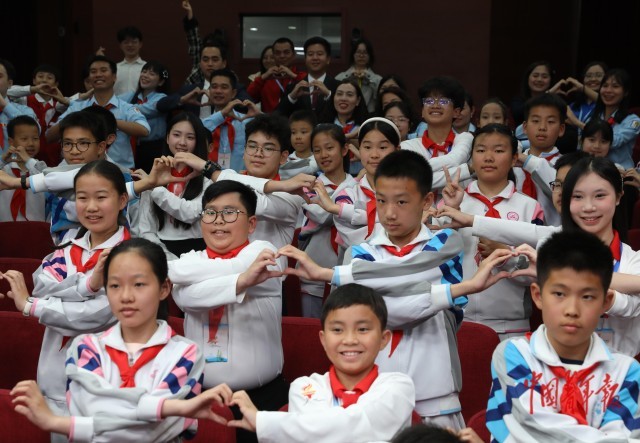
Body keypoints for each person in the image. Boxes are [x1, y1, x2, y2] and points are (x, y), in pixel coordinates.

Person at [280, 149, 515, 429]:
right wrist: (429, 295)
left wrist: (333, 275)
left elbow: (395, 306)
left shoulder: (445, 243)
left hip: (436, 394)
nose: (389, 213)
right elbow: (371, 313)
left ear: (427, 201)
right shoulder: (358, 253)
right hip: (371, 392)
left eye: (402, 201)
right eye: (381, 201)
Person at [9, 238, 236, 442]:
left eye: (139, 284)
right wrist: (167, 407)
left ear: (164, 288)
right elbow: (89, 411)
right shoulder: (85, 348)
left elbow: (152, 432)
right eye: (115, 285)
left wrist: (61, 423)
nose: (126, 296)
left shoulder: (187, 354)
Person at [0, 161, 131, 441]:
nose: (91, 207)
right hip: (54, 378)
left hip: (108, 383)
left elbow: (95, 315)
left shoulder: (134, 256)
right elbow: (42, 286)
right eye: (82, 197)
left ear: (122, 200)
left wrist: (31, 306)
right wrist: (89, 285)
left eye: (101, 197)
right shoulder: (64, 251)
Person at [486, 230, 640, 441]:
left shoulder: (626, 371)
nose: (572, 310)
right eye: (559, 294)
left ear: (606, 302)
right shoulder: (515, 355)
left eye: (587, 296)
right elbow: (534, 428)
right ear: (538, 296)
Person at [168, 180, 287, 443]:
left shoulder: (265, 253)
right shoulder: (189, 260)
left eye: (230, 212)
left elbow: (182, 285)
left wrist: (186, 280)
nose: (218, 220)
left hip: (263, 398)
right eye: (210, 213)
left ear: (252, 223)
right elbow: (184, 296)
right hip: (200, 397)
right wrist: (242, 280)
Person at [228, 284, 416, 442]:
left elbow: (352, 425)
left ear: (383, 339)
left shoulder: (398, 386)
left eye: (363, 329)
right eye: (338, 330)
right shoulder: (305, 387)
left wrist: (264, 422)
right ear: (323, 340)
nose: (350, 340)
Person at [439, 124, 544, 338]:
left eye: (498, 150)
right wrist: (452, 211)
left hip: (512, 325)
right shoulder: (451, 202)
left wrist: (506, 256)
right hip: (457, 321)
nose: (488, 157)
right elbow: (435, 259)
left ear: (514, 159)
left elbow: (539, 273)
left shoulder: (529, 207)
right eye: (480, 150)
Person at [47, 55, 151, 169]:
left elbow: (144, 130)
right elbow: (49, 136)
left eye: (103, 70)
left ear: (114, 77)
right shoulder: (77, 107)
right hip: (81, 170)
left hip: (120, 170)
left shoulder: (126, 108)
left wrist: (108, 120)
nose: (98, 74)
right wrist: (77, 119)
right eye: (93, 71)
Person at [297, 124, 356, 317]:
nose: (323, 155)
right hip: (313, 273)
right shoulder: (307, 186)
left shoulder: (358, 186)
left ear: (344, 149)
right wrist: (346, 201)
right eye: (317, 150)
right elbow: (322, 215)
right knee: (311, 329)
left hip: (347, 273)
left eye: (329, 148)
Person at [138, 112, 211, 259]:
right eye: (176, 135)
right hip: (160, 252)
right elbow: (145, 229)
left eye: (190, 137)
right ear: (167, 138)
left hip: (199, 253)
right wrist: (166, 258)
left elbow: (191, 213)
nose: (182, 142)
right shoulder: (154, 175)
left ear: (198, 141)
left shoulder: (208, 179)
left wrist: (155, 187)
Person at [400, 77, 473, 175]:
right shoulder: (407, 146)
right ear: (422, 111)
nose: (435, 106)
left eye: (443, 101)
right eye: (429, 101)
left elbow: (454, 160)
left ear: (456, 112)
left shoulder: (465, 138)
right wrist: (467, 170)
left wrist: (417, 170)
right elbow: (410, 180)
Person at [514, 93, 567, 226]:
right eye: (536, 121)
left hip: (553, 235)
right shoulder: (511, 163)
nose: (542, 127)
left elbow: (561, 193)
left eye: (550, 122)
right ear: (524, 127)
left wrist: (528, 162)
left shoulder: (567, 166)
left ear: (561, 129)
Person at [201, 68, 261, 172]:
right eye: (214, 87)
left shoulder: (247, 122)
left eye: (224, 87)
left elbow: (279, 131)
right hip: (208, 179)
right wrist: (221, 114)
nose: (218, 91)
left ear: (233, 93)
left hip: (240, 179)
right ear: (209, 91)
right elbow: (197, 130)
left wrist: (260, 115)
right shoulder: (205, 123)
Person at [5, 64, 65, 166]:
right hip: (24, 159)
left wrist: (63, 100)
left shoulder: (61, 106)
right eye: (40, 76)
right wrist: (33, 89)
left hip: (54, 160)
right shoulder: (24, 100)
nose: (44, 80)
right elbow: (6, 91)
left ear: (56, 84)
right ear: (34, 81)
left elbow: (77, 103)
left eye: (49, 78)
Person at [582, 69, 640, 170]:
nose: (608, 90)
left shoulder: (633, 121)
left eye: (615, 86)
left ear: (625, 92)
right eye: (605, 86)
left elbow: (614, 141)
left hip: (621, 173)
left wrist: (576, 122)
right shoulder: (592, 117)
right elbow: (582, 144)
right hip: (592, 170)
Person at [119, 60, 170, 172]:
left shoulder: (162, 98)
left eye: (152, 74)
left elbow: (146, 109)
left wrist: (126, 109)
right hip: (130, 146)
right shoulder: (131, 95)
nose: (145, 75)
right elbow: (114, 103)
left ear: (161, 82)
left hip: (153, 148)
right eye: (144, 71)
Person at [277, 36, 337, 118]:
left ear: (328, 59)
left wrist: (329, 94)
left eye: (319, 54)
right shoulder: (292, 88)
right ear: (305, 59)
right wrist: (291, 97)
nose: (315, 58)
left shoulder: (338, 87)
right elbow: (278, 116)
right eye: (310, 54)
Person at [318, 78, 369, 175]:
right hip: (328, 177)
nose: (343, 98)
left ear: (358, 100)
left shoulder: (367, 127)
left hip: (362, 177)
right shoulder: (321, 128)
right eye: (339, 94)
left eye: (349, 95)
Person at [0, 116, 47, 221]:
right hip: (5, 227)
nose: (31, 143)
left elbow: (49, 179)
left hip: (36, 227)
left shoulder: (40, 167)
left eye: (35, 138)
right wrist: (2, 160)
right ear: (11, 142)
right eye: (24, 139)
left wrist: (28, 160)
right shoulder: (4, 169)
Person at [247, 37, 306, 113]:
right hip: (270, 120)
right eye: (278, 53)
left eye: (286, 52)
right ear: (274, 56)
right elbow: (248, 99)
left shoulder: (301, 76)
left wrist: (293, 75)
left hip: (297, 120)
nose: (282, 56)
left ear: (293, 55)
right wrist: (262, 78)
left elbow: (310, 92)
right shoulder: (265, 79)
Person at [0, 58, 38, 154]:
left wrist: (4, 106)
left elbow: (34, 131)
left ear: (9, 83)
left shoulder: (25, 110)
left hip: (15, 162)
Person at [335, 38, 382, 113]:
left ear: (370, 56)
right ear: (353, 54)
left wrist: (369, 79)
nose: (361, 55)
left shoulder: (377, 79)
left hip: (369, 115)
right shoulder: (341, 77)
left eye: (365, 53)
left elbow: (380, 99)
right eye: (358, 52)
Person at [564, 61, 608, 126]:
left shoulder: (609, 104)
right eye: (588, 76)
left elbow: (602, 100)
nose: (593, 79)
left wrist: (576, 122)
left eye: (598, 75)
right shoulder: (574, 105)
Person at [511, 61, 554, 125]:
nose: (539, 79)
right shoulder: (518, 101)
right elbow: (519, 114)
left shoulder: (557, 102)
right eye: (535, 76)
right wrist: (547, 94)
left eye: (544, 77)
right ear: (528, 78)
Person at [280, 109, 319, 179]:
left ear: (314, 133)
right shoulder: (286, 160)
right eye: (293, 132)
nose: (298, 137)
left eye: (303, 132)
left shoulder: (318, 160)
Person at [112, 26, 146, 96]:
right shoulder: (114, 68)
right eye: (126, 42)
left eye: (134, 42)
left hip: (141, 103)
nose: (130, 45)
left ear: (140, 44)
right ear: (120, 45)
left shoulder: (147, 67)